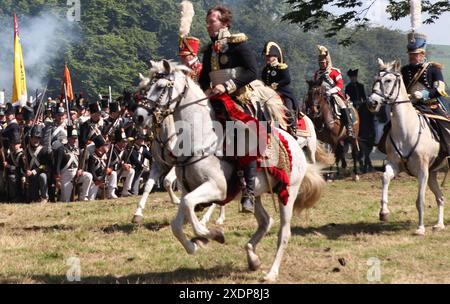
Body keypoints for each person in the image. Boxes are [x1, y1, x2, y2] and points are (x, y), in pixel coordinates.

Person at [198, 5, 264, 213]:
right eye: (207, 22)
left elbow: (253, 71)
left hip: (238, 96)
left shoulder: (238, 44)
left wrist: (227, 86)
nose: (208, 26)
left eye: (212, 22)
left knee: (245, 133)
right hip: (216, 99)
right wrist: (205, 90)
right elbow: (203, 79)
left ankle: (249, 192)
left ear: (225, 23)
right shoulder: (209, 50)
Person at [401, 32, 450, 154]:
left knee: (445, 127)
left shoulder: (434, 69)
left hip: (431, 106)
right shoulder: (405, 70)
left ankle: (447, 152)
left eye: (415, 54)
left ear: (423, 54)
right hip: (411, 106)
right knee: (391, 124)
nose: (412, 57)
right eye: (411, 54)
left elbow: (440, 90)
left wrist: (424, 94)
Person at [314, 45, 354, 138]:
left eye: (323, 62)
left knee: (342, 105)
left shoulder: (334, 71)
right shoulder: (317, 73)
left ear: (327, 62)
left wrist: (331, 91)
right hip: (320, 95)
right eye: (320, 62)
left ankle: (349, 127)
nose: (322, 64)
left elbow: (340, 85)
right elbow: (315, 85)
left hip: (333, 94)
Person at [262, 41, 298, 137]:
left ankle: (293, 127)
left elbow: (287, 80)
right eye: (266, 56)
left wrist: (275, 85)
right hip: (268, 93)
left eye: (269, 56)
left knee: (288, 108)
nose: (267, 58)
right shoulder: (266, 69)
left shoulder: (282, 67)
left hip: (283, 92)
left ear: (275, 57)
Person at [345, 69, 375, 173]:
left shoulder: (361, 86)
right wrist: (353, 103)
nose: (353, 78)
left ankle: (372, 128)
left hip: (361, 106)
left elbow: (364, 98)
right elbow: (347, 98)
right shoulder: (348, 87)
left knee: (369, 113)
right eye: (352, 77)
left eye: (354, 77)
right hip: (352, 107)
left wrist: (361, 103)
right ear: (350, 77)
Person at [54, 125, 93, 202]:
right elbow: (57, 165)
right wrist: (58, 180)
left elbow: (81, 163)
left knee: (88, 176)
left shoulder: (78, 150)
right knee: (66, 201)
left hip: (76, 174)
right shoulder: (61, 149)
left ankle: (83, 197)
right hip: (65, 175)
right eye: (73, 138)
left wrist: (81, 170)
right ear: (68, 138)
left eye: (76, 138)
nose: (75, 140)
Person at [24, 125, 51, 202]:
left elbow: (44, 166)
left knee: (43, 176)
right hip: (30, 176)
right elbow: (23, 165)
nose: (36, 140)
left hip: (40, 174)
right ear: (30, 138)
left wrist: (34, 171)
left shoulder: (44, 150)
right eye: (34, 137)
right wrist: (25, 173)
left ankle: (44, 198)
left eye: (38, 138)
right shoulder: (26, 150)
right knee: (33, 199)